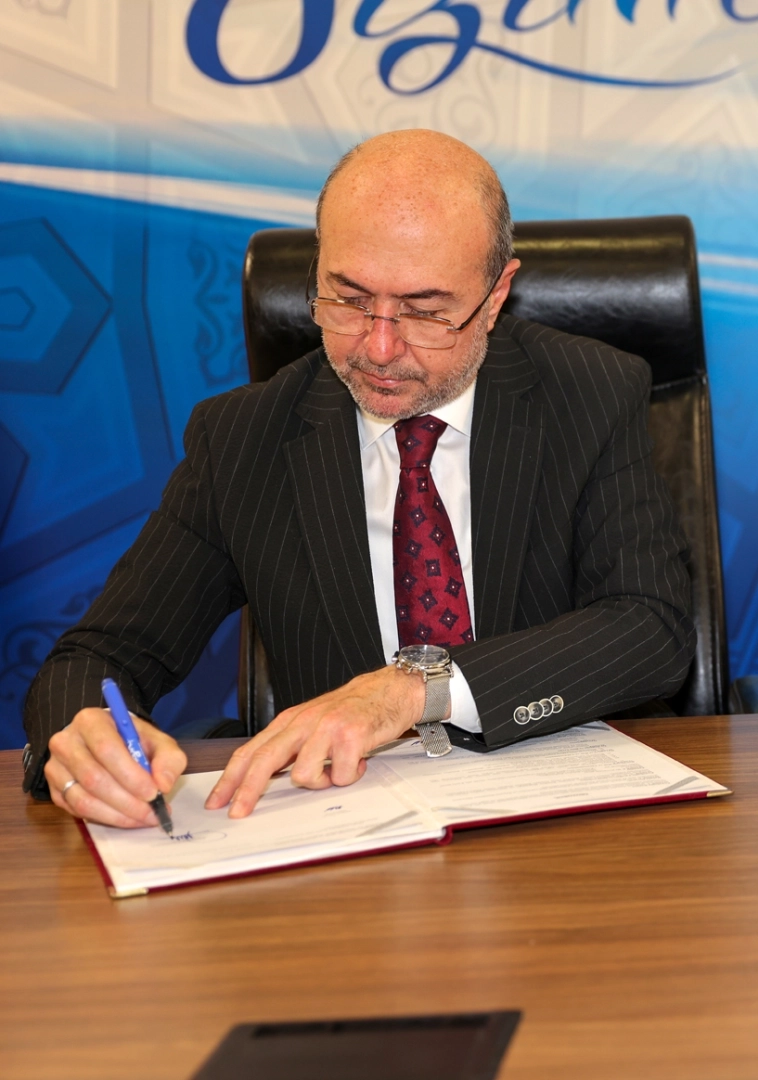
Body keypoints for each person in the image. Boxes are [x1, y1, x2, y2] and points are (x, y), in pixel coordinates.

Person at [22, 130, 695, 823]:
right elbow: (98, 656)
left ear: (496, 295)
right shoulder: (243, 440)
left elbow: (651, 628)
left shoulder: (589, 393)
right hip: (351, 827)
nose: (378, 347)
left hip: (563, 819)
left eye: (424, 310)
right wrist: (86, 740)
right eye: (347, 299)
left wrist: (415, 690)